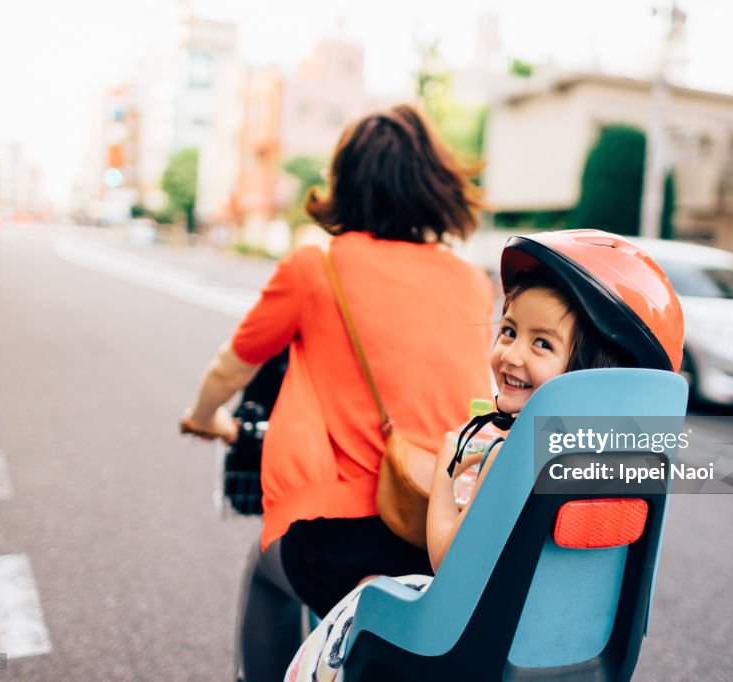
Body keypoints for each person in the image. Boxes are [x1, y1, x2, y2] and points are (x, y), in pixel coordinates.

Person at [179, 104, 495, 681]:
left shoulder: (314, 267)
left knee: (268, 578)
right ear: (434, 184)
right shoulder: (470, 280)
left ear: (345, 182)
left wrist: (202, 416)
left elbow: (233, 368)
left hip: (338, 528)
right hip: (446, 529)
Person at [284, 229, 685, 681]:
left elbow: (446, 561)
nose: (510, 355)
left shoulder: (511, 460)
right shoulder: (630, 467)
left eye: (542, 344)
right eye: (509, 331)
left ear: (593, 368)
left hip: (465, 650)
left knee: (370, 592)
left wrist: (443, 470)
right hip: (573, 658)